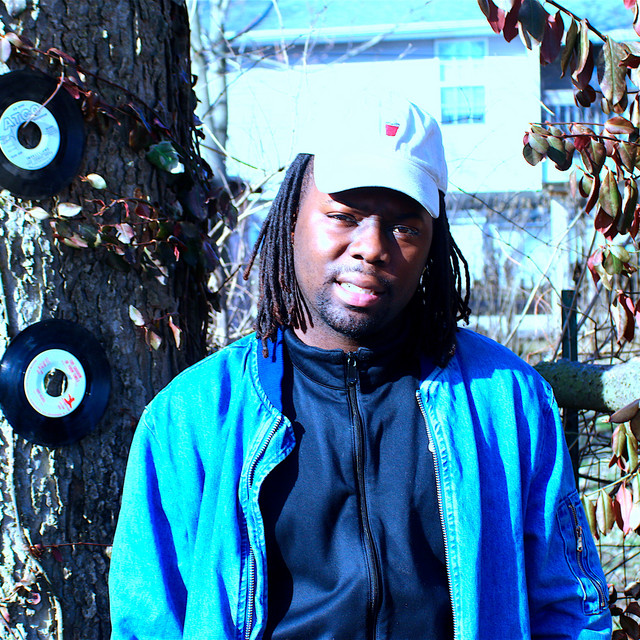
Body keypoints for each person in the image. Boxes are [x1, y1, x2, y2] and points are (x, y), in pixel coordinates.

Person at [109, 96, 612, 639]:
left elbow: (571, 609)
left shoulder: (506, 402)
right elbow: (147, 626)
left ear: (433, 245)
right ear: (291, 217)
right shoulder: (190, 419)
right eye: (343, 216)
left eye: (404, 227)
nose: (371, 247)